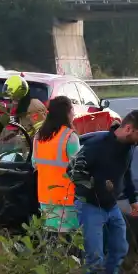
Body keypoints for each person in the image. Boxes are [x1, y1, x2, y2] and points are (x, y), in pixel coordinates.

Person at [69, 109, 138, 274]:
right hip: (89, 206)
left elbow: (126, 173)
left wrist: (133, 199)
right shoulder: (96, 146)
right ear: (128, 128)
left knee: (119, 249)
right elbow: (72, 171)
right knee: (94, 255)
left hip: (111, 207)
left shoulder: (128, 148)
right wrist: (95, 185)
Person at [33, 96, 81, 242]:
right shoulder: (69, 137)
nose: (74, 113)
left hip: (45, 197)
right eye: (72, 109)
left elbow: (34, 164)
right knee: (65, 243)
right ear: (66, 113)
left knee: (50, 239)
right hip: (66, 199)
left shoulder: (39, 135)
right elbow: (79, 169)